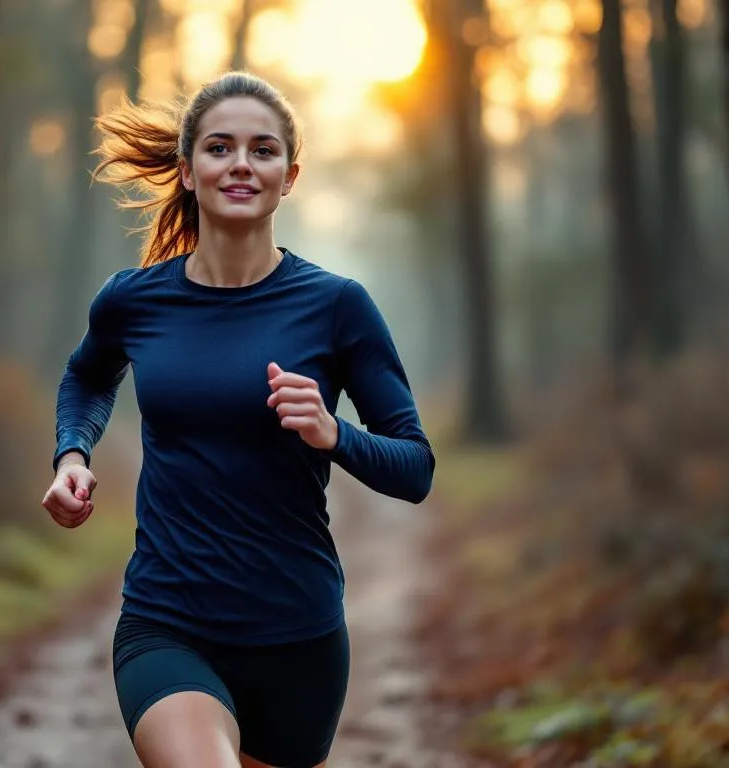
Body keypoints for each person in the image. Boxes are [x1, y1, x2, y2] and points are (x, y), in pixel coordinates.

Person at [41, 71, 435, 768]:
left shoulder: (337, 306)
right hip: (167, 622)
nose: (242, 164)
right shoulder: (134, 301)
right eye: (220, 148)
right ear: (189, 170)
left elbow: (416, 469)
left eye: (263, 150)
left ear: (290, 175)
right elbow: (87, 375)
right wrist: (72, 456)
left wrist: (334, 433)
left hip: (298, 636)